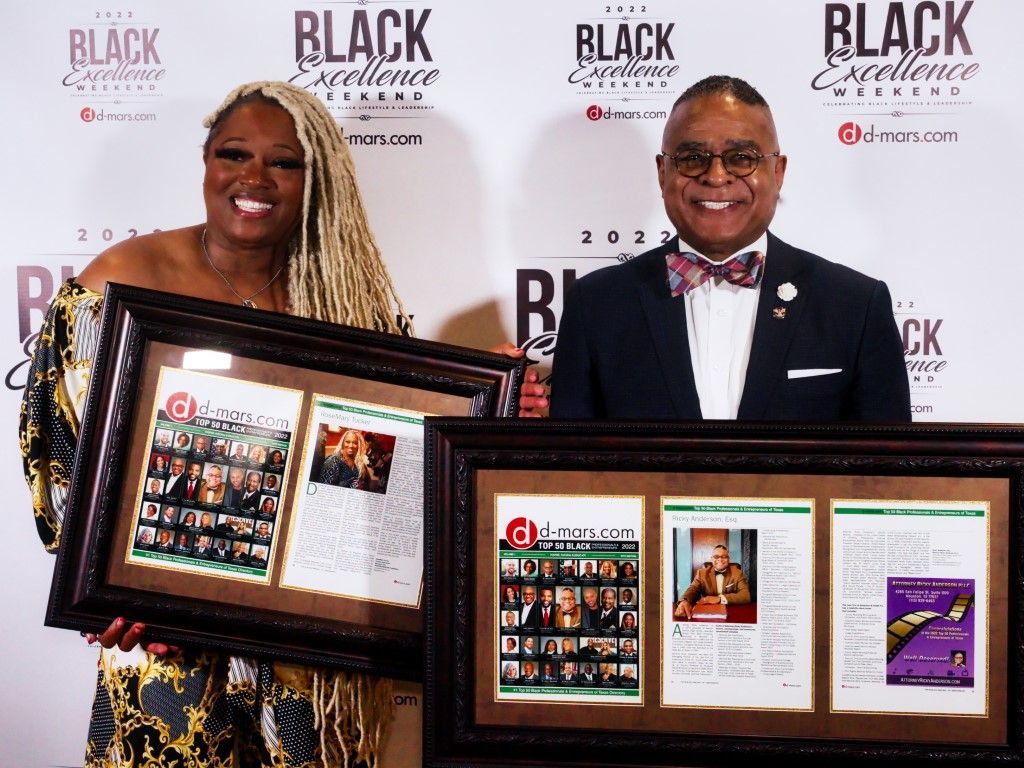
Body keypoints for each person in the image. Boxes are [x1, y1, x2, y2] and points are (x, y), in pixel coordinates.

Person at [550, 75, 911, 422]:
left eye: (742, 157)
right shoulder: (596, 306)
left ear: (778, 171)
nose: (717, 176)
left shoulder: (855, 307)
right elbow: (572, 476)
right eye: (692, 158)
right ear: (663, 172)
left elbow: (887, 479)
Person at [673, 544, 750, 619]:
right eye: (716, 556)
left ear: (728, 559)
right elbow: (693, 589)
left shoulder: (737, 573)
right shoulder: (701, 573)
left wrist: (719, 599)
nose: (720, 559)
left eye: (724, 557)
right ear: (711, 559)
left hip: (731, 611)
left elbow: (746, 596)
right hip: (706, 612)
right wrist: (685, 601)